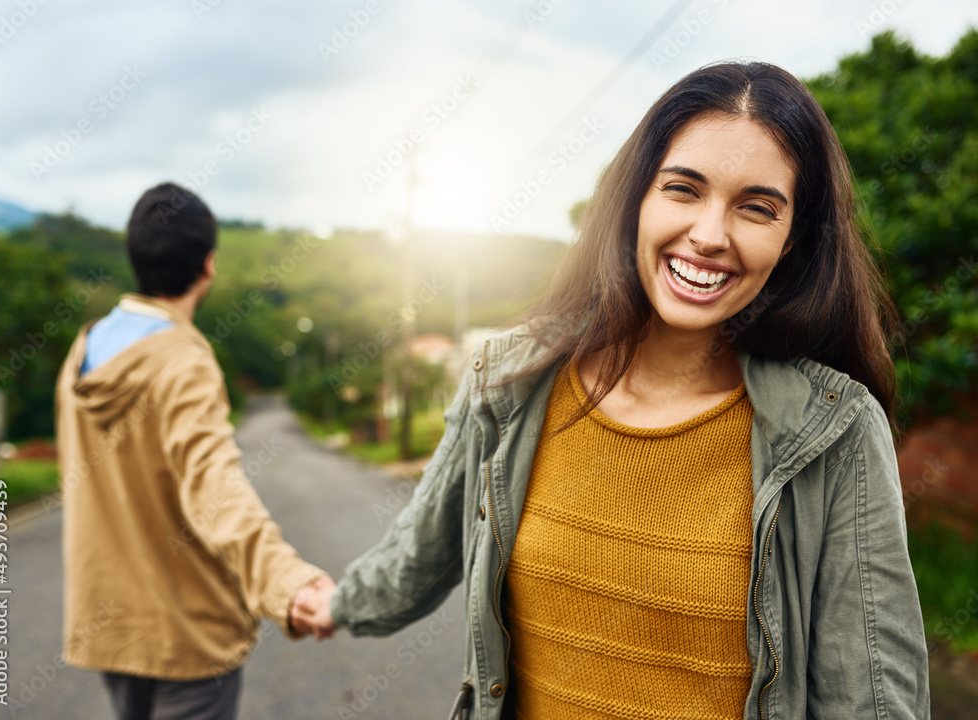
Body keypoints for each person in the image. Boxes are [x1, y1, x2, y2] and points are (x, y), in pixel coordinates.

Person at [293, 62, 931, 719]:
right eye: (683, 190)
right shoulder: (508, 382)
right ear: (636, 200)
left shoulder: (836, 428)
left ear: (792, 239)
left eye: (756, 208)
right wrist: (335, 603)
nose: (710, 236)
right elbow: (419, 554)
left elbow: (873, 700)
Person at [55, 182, 335, 720]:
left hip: (111, 626)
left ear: (135, 257)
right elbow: (214, 488)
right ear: (208, 265)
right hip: (187, 632)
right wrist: (286, 582)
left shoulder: (83, 349)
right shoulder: (183, 358)